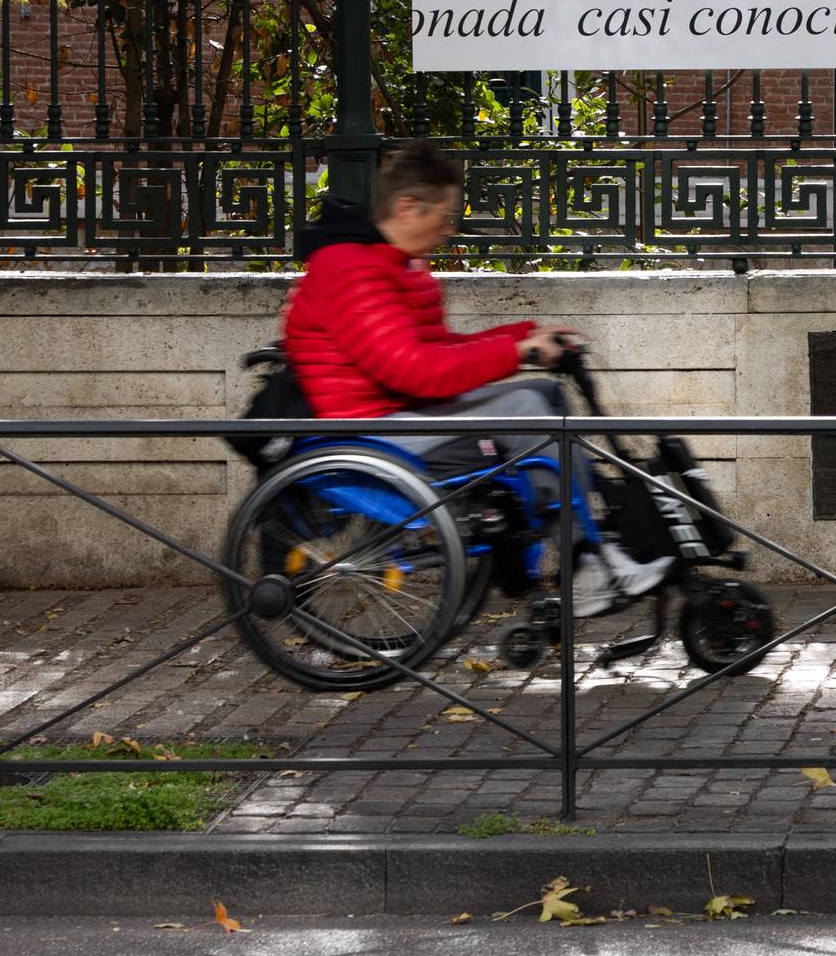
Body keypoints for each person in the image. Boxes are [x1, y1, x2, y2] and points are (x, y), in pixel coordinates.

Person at [285, 142, 670, 616]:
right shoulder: (353, 270)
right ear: (408, 207)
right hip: (374, 429)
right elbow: (415, 370)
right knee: (526, 408)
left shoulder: (385, 264)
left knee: (544, 392)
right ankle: (582, 566)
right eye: (445, 216)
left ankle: (585, 545)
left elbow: (433, 350)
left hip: (397, 411)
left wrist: (523, 335)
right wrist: (515, 351)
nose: (449, 230)